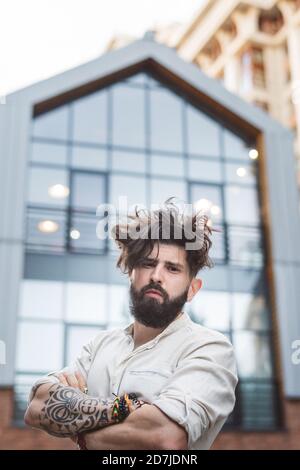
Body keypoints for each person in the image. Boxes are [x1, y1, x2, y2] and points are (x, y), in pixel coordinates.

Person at [25, 199, 238, 450]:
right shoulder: (100, 345)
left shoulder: (210, 348)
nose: (156, 276)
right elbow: (38, 407)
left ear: (192, 289)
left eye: (172, 268)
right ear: (131, 273)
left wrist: (84, 434)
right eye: (148, 263)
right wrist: (128, 406)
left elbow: (164, 436)